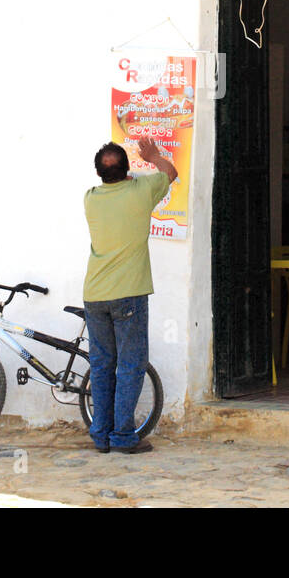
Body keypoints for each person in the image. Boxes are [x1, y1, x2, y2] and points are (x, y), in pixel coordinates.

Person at [82, 136, 178, 453]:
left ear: (98, 174)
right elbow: (171, 172)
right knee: (130, 365)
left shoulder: (91, 198)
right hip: (129, 295)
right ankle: (123, 436)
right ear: (127, 170)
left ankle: (101, 434)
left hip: (95, 294)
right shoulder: (140, 191)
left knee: (101, 365)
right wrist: (153, 155)